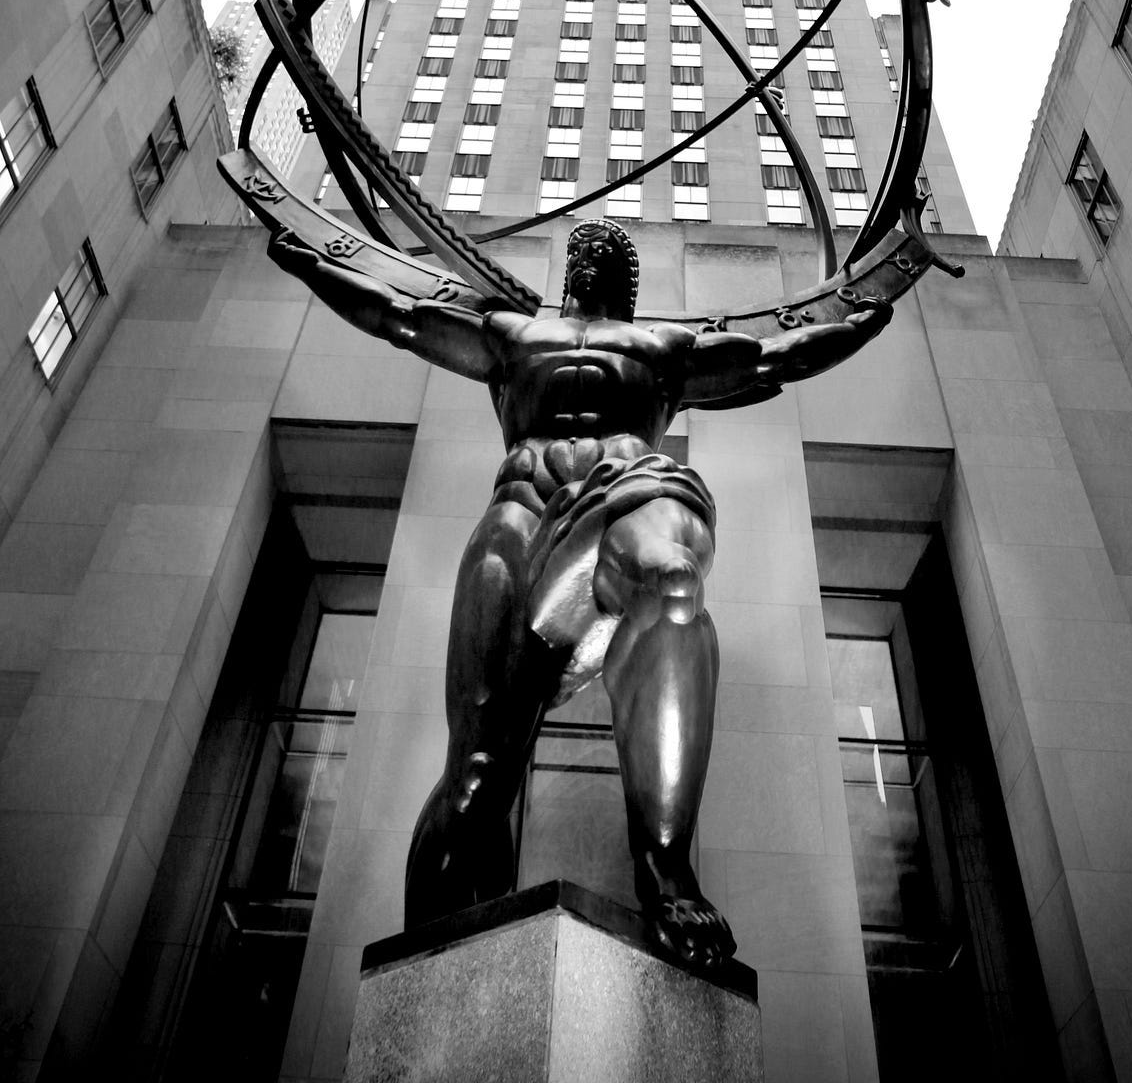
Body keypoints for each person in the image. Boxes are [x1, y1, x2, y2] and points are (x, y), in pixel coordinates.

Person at [269, 218, 890, 969]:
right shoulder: (510, 332)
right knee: (477, 778)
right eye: (587, 250)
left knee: (671, 579)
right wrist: (310, 264)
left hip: (631, 495)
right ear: (568, 271)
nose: (595, 259)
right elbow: (399, 318)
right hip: (523, 516)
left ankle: (664, 867)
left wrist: (862, 318)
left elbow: (769, 361)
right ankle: (426, 966)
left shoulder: (661, 347)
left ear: (626, 284)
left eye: (611, 256)